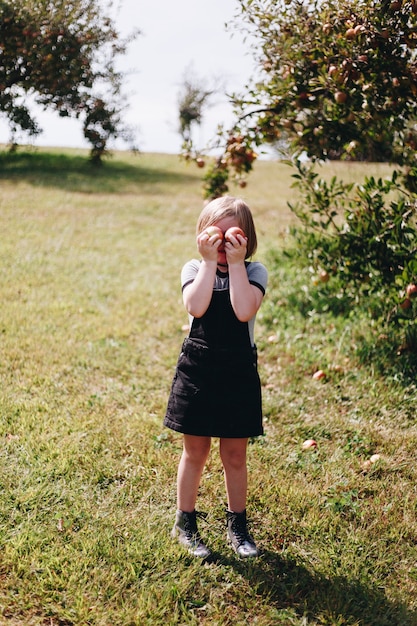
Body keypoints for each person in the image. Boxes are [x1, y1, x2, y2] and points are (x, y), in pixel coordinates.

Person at [164, 196, 268, 559]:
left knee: (236, 455)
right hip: (199, 372)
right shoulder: (194, 267)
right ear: (201, 236)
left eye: (232, 237)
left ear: (247, 239)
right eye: (215, 235)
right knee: (195, 451)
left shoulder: (255, 273)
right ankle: (185, 521)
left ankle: (237, 525)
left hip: (237, 373)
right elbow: (196, 307)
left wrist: (236, 265)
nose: (223, 244)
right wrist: (210, 262)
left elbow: (243, 310)